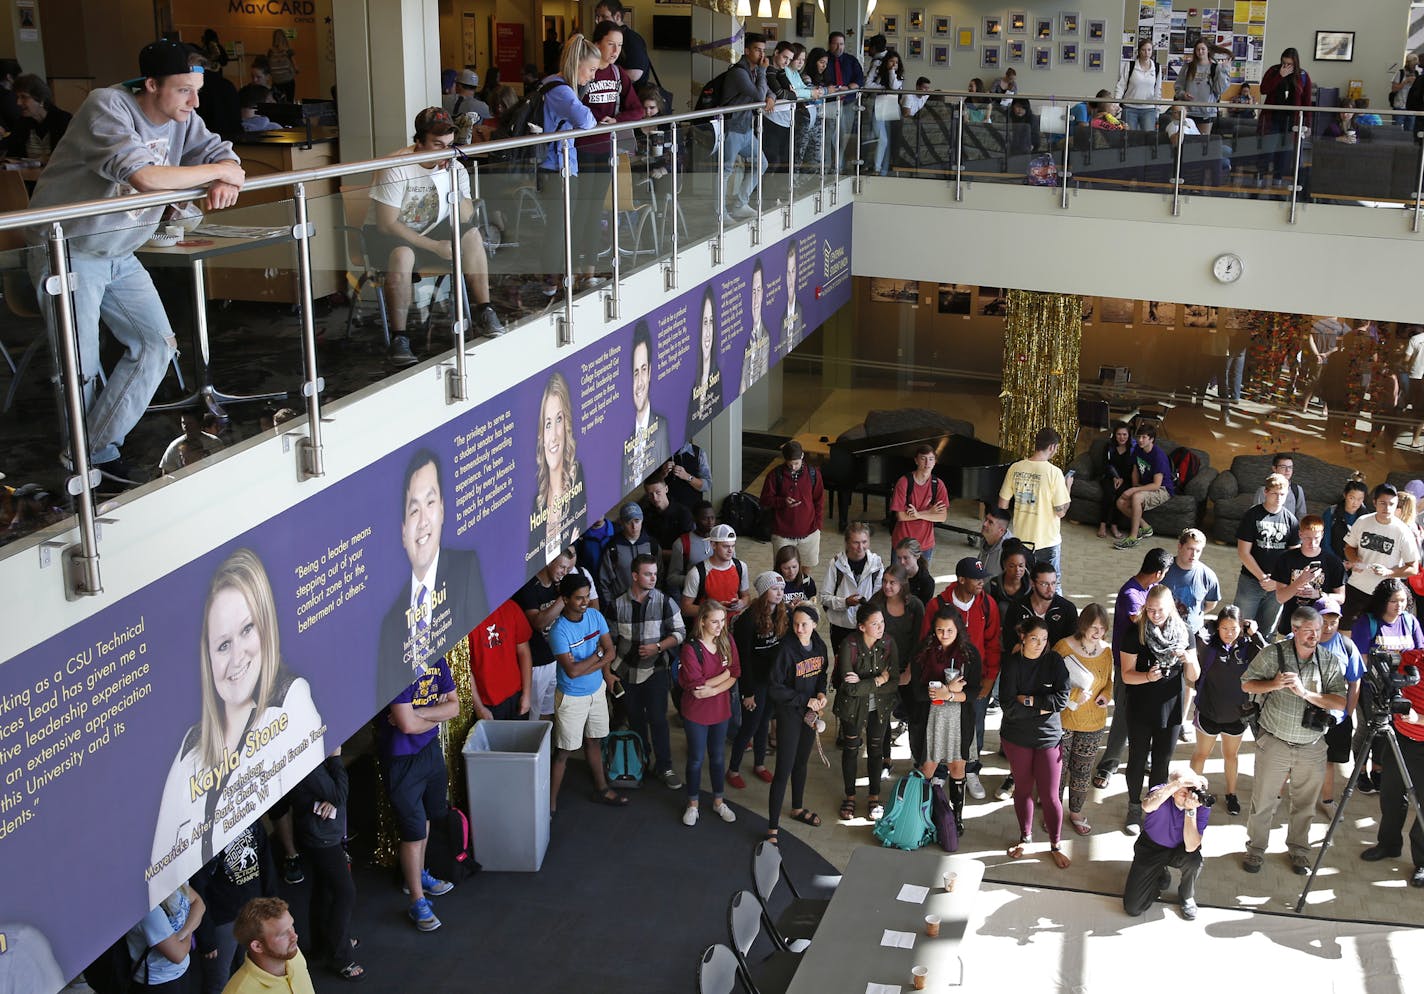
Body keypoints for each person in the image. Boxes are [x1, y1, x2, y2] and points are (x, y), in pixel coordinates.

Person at [28, 39, 244, 487]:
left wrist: (227, 172)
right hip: (67, 248)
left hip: (120, 250)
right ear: (151, 85)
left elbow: (226, 156)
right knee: (79, 366)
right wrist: (215, 174)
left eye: (197, 90)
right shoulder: (106, 106)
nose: (194, 101)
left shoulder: (183, 117)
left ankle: (88, 456)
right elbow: (146, 178)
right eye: (184, 90)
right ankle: (92, 468)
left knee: (156, 345)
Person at [149, 549, 323, 908]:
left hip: (256, 900)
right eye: (223, 645)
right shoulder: (190, 749)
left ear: (266, 627)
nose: (237, 658)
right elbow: (159, 875)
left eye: (248, 630)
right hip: (207, 917)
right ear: (207, 656)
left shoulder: (290, 701)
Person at [369, 106, 503, 366]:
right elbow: (386, 224)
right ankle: (400, 338)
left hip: (433, 228)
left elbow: (465, 217)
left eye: (449, 145)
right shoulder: (396, 166)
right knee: (403, 254)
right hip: (393, 235)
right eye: (437, 144)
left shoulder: (453, 166)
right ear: (418, 142)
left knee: (473, 235)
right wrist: (432, 246)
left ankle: (485, 310)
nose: (444, 151)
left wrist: (453, 180)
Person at [378, 449, 488, 707]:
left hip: (466, 708)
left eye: (430, 503)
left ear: (442, 510)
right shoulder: (391, 623)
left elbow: (482, 649)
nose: (424, 521)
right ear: (403, 531)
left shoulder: (466, 570)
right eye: (414, 510)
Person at [1241, 605, 1347, 874]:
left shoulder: (1328, 661)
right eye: (1310, 630)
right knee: (1264, 800)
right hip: (1275, 741)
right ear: (1295, 630)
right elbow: (1246, 684)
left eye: (1319, 630)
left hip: (1312, 746)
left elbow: (1339, 701)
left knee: (1304, 804)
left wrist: (1306, 694)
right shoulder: (1273, 654)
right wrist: (1274, 684)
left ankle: (1299, 850)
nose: (1315, 635)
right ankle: (1255, 850)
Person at [378, 645, 458, 931]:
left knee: (425, 819)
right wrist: (433, 714)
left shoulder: (437, 658)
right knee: (412, 832)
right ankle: (416, 901)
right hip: (402, 762)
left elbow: (455, 706)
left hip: (429, 753)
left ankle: (419, 873)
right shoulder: (396, 668)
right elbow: (407, 726)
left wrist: (420, 711)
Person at [1119, 585, 1199, 833]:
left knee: (1162, 763)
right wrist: (1147, 677)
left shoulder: (1185, 632)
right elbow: (1126, 676)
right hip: (1141, 704)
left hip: (1171, 707)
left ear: (1171, 607)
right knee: (1137, 759)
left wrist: (1190, 660)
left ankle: (1152, 808)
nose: (1154, 615)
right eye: (1150, 610)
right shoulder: (1136, 633)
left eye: (1160, 610)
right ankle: (1134, 806)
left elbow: (1193, 677)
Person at [922, 557, 1000, 802]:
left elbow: (993, 644)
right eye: (977, 579)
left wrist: (989, 679)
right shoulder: (938, 604)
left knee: (973, 726)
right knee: (940, 726)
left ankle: (970, 770)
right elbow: (926, 642)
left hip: (974, 683)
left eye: (983, 578)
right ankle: (942, 771)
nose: (981, 582)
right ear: (961, 580)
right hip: (940, 682)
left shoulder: (988, 604)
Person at [572, 22, 643, 290]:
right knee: (578, 210)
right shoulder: (581, 73)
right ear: (597, 43)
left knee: (593, 210)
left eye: (620, 46)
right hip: (579, 152)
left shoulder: (617, 74)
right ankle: (570, 271)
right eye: (611, 44)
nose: (615, 51)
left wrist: (617, 119)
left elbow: (636, 110)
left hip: (605, 150)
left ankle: (588, 272)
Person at [1094, 548, 1172, 790]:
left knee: (1148, 715)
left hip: (1149, 667)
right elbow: (1144, 626)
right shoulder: (1131, 594)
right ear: (1159, 573)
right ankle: (1109, 764)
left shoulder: (1149, 591)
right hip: (1128, 665)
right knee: (1123, 717)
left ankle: (1145, 758)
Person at [549, 571, 626, 811]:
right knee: (564, 751)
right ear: (565, 599)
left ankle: (601, 789)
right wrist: (597, 655)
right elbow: (571, 672)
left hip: (597, 691)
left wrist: (590, 663)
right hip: (571, 697)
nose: (585, 603)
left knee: (594, 741)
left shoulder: (595, 616)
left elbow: (611, 651)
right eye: (579, 598)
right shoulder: (558, 631)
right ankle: (549, 805)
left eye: (586, 597)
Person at [999, 617, 1072, 867]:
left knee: (1051, 795)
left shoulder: (1054, 661)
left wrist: (1029, 701)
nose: (1039, 644)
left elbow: (1061, 700)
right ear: (1023, 637)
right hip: (1017, 736)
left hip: (1048, 737)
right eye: (1033, 639)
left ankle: (1055, 843)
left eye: (1043, 639)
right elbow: (1008, 706)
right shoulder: (1011, 664)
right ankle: (1025, 837)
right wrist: (1043, 707)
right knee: (1022, 788)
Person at [288, 747, 362, 981]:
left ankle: (324, 943)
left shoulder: (310, 761)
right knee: (345, 892)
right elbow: (339, 793)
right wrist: (336, 759)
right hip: (322, 838)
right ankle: (340, 956)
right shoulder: (307, 762)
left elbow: (335, 795)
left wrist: (334, 797)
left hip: (316, 833)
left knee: (323, 889)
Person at [1359, 617, 1424, 884]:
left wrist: (1419, 719)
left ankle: (1422, 862)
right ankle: (1388, 844)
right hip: (1400, 739)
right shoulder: (1414, 657)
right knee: (1391, 794)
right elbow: (1388, 672)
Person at [534, 35, 600, 298]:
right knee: (560, 226)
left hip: (559, 166)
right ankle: (552, 281)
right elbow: (586, 120)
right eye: (592, 69)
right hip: (557, 167)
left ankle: (556, 277)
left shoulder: (555, 86)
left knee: (561, 225)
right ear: (577, 64)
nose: (593, 77)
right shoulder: (561, 90)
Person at [612, 554, 685, 788]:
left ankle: (664, 766)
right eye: (647, 573)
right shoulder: (617, 605)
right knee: (635, 720)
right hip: (626, 672)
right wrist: (608, 673)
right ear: (635, 576)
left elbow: (680, 632)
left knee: (658, 720)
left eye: (655, 573)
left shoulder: (664, 602)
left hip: (656, 670)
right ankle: (640, 761)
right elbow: (609, 643)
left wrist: (659, 646)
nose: (653, 578)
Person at [1189, 605, 1265, 817]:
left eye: (1234, 628)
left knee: (1231, 755)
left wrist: (1254, 633)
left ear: (1241, 627)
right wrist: (1212, 625)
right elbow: (1198, 635)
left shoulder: (1247, 646)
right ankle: (1193, 790)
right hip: (1209, 712)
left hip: (1236, 715)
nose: (1229, 633)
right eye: (1224, 628)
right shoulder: (1208, 645)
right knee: (1201, 754)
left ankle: (1231, 794)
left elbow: (1269, 653)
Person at [1350, 578, 1424, 793]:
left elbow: (1419, 653)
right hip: (1372, 685)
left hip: (1402, 688)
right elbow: (1361, 657)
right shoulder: (1367, 622)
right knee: (1367, 729)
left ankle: (1379, 769)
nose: (1399, 606)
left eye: (1402, 601)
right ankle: (1360, 771)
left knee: (1389, 730)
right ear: (1383, 601)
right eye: (1393, 601)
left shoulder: (1410, 622)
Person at [765, 604, 830, 841]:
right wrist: (805, 700)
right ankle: (772, 827)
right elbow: (775, 687)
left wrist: (821, 693)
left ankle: (797, 807)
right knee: (784, 767)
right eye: (796, 624)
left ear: (815, 624)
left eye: (804, 624)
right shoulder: (786, 649)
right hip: (790, 714)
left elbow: (822, 673)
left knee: (801, 762)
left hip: (809, 713)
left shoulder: (819, 645)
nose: (799, 628)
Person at [916, 606, 982, 834]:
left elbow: (975, 691)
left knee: (957, 766)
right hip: (931, 717)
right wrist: (941, 691)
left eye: (949, 631)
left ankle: (957, 816)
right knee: (928, 767)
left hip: (959, 718)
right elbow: (916, 690)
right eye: (939, 630)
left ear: (959, 630)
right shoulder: (925, 650)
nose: (944, 635)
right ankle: (919, 813)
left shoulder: (970, 654)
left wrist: (950, 695)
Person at [192, 825, 278, 994]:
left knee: (251, 972)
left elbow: (266, 864)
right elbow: (198, 889)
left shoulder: (253, 823)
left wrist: (272, 905)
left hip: (254, 911)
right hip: (222, 919)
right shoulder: (206, 836)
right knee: (218, 981)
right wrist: (206, 936)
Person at [679, 599, 742, 825]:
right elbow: (697, 688)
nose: (720, 626)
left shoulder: (726, 639)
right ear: (702, 621)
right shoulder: (691, 648)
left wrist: (714, 685)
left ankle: (718, 802)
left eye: (723, 621)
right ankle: (693, 804)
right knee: (696, 759)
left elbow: (735, 672)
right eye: (714, 622)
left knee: (717, 758)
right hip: (696, 712)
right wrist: (724, 676)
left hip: (720, 709)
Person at [835, 603, 900, 822]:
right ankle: (850, 796)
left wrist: (869, 683)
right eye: (875, 624)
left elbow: (894, 682)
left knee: (875, 751)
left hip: (879, 707)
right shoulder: (849, 644)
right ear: (862, 627)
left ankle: (874, 797)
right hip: (852, 708)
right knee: (851, 750)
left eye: (882, 622)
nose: (880, 627)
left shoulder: (889, 643)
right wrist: (879, 679)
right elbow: (848, 687)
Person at [1121, 771, 1212, 920]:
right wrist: (1178, 783)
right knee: (1133, 907)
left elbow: (1191, 846)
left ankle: (1187, 896)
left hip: (1180, 849)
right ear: (1172, 789)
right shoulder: (1162, 792)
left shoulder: (1200, 805)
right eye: (1184, 789)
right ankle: (1158, 875)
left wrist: (1191, 811)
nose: (1189, 794)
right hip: (1151, 847)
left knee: (1194, 860)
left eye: (1192, 789)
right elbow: (1147, 806)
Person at [728, 571, 789, 789]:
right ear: (764, 592)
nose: (780, 593)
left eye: (781, 589)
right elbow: (742, 659)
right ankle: (733, 768)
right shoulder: (748, 620)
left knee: (764, 722)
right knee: (750, 725)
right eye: (774, 589)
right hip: (754, 681)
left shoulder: (782, 613)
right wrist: (747, 692)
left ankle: (760, 764)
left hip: (771, 679)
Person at [1055, 605, 1113, 836]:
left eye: (1102, 628)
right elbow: (1051, 683)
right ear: (1083, 625)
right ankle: (1054, 810)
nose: (1097, 632)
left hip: (1093, 722)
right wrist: (1076, 695)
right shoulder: (1063, 647)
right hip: (1064, 719)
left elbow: (1108, 681)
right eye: (1093, 627)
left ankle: (1076, 812)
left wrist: (1106, 696)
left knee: (1082, 770)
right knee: (1058, 770)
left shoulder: (1107, 651)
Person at [529, 372, 590, 567]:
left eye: (559, 420)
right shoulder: (537, 502)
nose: (553, 435)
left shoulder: (576, 478)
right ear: (541, 434)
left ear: (567, 425)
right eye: (547, 424)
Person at [871, 564, 927, 767]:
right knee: (881, 716)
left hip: (909, 669)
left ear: (903, 584)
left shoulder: (915, 606)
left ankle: (919, 760)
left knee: (916, 717)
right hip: (882, 669)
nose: (887, 586)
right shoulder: (876, 604)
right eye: (885, 581)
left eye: (892, 582)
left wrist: (910, 671)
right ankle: (884, 759)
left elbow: (920, 641)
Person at [1344, 483, 1421, 627]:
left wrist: (1389, 572)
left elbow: (1413, 568)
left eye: (1391, 504)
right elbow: (1349, 547)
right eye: (1382, 503)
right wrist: (1354, 560)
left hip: (1385, 593)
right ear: (1374, 503)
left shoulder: (1402, 531)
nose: (1387, 508)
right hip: (1357, 587)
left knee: (1378, 636)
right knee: (1346, 630)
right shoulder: (1362, 521)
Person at [998, 427, 1071, 579]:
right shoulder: (1055, 472)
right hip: (1047, 541)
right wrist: (1067, 486)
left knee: (1023, 581)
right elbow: (1061, 512)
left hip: (1021, 539)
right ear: (1052, 447)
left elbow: (1002, 505)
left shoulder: (1015, 467)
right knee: (1051, 583)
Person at [1233, 472, 1301, 635]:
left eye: (1282, 494)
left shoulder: (1291, 520)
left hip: (1277, 585)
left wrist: (1278, 581)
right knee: (1240, 626)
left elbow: (1295, 557)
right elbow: (1243, 552)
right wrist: (1262, 577)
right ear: (1266, 492)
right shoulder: (1252, 515)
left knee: (1267, 632)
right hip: (1250, 581)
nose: (1278, 498)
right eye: (1274, 493)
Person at [516, 548, 577, 721]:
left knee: (548, 710)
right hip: (535, 665)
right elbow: (538, 622)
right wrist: (563, 598)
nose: (564, 573)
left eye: (567, 569)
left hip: (554, 659)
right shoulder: (528, 587)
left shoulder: (557, 587)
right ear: (549, 561)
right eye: (562, 568)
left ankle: (546, 748)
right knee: (532, 715)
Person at [1314, 596, 1364, 808]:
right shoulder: (1296, 640)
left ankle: (1326, 801)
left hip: (1334, 717)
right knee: (1290, 761)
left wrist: (1347, 714)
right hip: (1300, 714)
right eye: (1323, 621)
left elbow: (1354, 683)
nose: (1328, 627)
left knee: (1329, 761)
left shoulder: (1347, 646)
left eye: (1333, 622)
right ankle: (1275, 797)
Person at [721, 33, 776, 221]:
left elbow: (768, 92)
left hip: (746, 128)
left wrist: (771, 97)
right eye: (757, 49)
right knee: (725, 171)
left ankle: (739, 204)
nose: (761, 54)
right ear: (746, 51)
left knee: (762, 163)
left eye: (763, 50)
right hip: (731, 128)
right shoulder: (739, 72)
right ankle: (720, 213)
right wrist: (763, 75)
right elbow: (759, 96)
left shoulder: (753, 71)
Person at [1272, 514, 1346, 637]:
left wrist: (1319, 594)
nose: (1312, 543)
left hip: (1319, 628)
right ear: (1300, 535)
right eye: (1307, 538)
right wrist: (1299, 581)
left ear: (1322, 535)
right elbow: (1280, 597)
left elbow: (1341, 598)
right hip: (1291, 624)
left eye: (1316, 538)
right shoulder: (1286, 559)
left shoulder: (1333, 562)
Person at [220, 897, 313, 994]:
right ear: (257, 946)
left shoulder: (293, 953)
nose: (294, 936)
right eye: (283, 934)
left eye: (292, 926)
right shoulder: (239, 991)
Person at [821, 521, 886, 658]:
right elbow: (824, 598)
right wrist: (845, 602)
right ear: (846, 543)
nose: (860, 547)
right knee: (842, 666)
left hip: (867, 626)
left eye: (864, 542)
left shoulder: (877, 564)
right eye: (856, 542)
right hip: (841, 626)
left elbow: (879, 598)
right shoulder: (836, 564)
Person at [621, 321, 670, 492]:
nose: (640, 382)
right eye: (635, 373)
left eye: (643, 370)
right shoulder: (624, 438)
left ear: (650, 372)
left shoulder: (662, 427)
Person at [761, 439, 825, 570]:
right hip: (782, 533)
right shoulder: (775, 475)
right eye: (790, 464)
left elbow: (819, 500)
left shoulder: (813, 474)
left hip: (810, 532)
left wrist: (818, 525)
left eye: (796, 463)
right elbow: (765, 500)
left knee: (807, 567)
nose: (794, 467)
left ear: (802, 456)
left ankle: (803, 589)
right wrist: (782, 502)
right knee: (783, 569)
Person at [128, 885, 205, 992]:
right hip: (159, 981)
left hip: (181, 971)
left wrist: (183, 934)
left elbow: (199, 904)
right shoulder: (148, 908)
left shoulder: (173, 882)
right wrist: (190, 926)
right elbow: (178, 955)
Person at [467, 599, 533, 721]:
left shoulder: (510, 607)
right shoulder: (466, 619)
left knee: (520, 738)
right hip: (487, 701)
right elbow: (466, 669)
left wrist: (527, 694)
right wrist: (479, 707)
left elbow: (524, 652)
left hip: (516, 694)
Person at [1113, 424, 1174, 551]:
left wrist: (1134, 490)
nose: (1140, 440)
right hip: (1144, 486)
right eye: (1139, 436)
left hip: (1162, 489)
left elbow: (1157, 484)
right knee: (1120, 502)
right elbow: (1135, 469)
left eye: (1144, 437)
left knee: (1136, 497)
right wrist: (1135, 485)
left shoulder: (1158, 456)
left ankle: (1133, 538)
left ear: (1151, 439)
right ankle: (1145, 527)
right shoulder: (1138, 450)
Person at [598, 501, 660, 625]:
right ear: (621, 523)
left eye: (637, 521)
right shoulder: (613, 547)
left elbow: (661, 574)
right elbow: (603, 581)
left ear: (642, 521)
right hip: (622, 606)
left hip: (650, 605)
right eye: (628, 522)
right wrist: (612, 605)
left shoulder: (651, 544)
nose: (634, 526)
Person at [1258, 48, 1312, 181]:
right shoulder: (1274, 71)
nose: (1287, 66)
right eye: (1284, 63)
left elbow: (1307, 102)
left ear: (1295, 63)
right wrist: (1279, 76)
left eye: (1290, 64)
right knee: (1268, 149)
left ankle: (1278, 179)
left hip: (1292, 120)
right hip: (1272, 118)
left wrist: (1307, 124)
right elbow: (1263, 89)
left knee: (1285, 152)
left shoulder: (1303, 75)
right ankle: (1261, 176)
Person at [680, 522, 751, 624]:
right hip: (707, 628)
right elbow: (685, 608)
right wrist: (714, 610)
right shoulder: (698, 573)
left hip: (732, 625)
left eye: (733, 546)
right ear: (713, 545)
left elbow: (747, 597)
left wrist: (742, 603)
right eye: (726, 546)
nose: (730, 550)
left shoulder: (741, 567)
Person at [891, 443, 949, 562]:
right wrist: (929, 512)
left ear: (935, 462)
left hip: (925, 544)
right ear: (916, 461)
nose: (927, 463)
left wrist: (918, 514)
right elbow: (901, 516)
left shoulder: (938, 484)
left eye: (931, 459)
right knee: (897, 578)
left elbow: (942, 517)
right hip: (903, 542)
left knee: (921, 579)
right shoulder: (904, 482)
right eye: (923, 459)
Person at [1161, 528, 1221, 638]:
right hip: (1163, 631)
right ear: (1180, 546)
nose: (1193, 554)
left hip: (1192, 635)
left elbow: (1211, 604)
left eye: (1198, 550)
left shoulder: (1208, 576)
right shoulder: (1163, 570)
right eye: (1190, 549)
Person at [825, 31, 865, 171]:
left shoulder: (851, 60)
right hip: (829, 102)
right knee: (829, 135)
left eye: (841, 44)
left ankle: (839, 165)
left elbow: (860, 79)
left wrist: (848, 88)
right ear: (830, 44)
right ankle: (828, 165)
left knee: (844, 134)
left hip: (848, 102)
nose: (839, 47)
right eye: (836, 44)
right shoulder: (824, 59)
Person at [687, 288, 724, 435]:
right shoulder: (691, 383)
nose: (708, 332)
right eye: (704, 323)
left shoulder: (717, 377)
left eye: (710, 322)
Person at [7, 74, 70, 161]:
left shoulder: (64, 120)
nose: (18, 103)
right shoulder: (22, 122)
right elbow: (12, 154)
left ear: (40, 99)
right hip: (28, 174)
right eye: (17, 97)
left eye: (24, 97)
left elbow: (68, 157)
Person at [1176, 40, 1231, 134]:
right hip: (1188, 112)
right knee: (1187, 143)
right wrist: (1183, 94)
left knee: (1202, 143)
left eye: (1203, 49)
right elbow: (1178, 86)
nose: (1200, 52)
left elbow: (1219, 90)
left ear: (1208, 50)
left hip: (1206, 113)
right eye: (1198, 49)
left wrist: (1224, 70)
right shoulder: (1188, 67)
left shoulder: (1215, 68)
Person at [593, 0, 652, 83]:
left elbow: (634, 74)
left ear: (617, 17)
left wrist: (605, 76)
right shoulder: (602, 36)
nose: (598, 21)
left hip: (630, 93)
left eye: (604, 16)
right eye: (597, 17)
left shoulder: (632, 38)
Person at [669, 501, 717, 596]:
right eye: (705, 518)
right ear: (695, 519)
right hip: (694, 598)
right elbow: (672, 579)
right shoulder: (682, 543)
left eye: (712, 518)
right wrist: (697, 579)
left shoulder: (723, 539)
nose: (710, 522)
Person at [868, 48, 904, 175]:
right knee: (882, 139)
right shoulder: (879, 73)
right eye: (891, 62)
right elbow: (868, 85)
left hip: (891, 108)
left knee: (889, 141)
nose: (894, 64)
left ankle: (884, 169)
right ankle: (877, 168)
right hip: (879, 106)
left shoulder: (898, 76)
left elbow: (894, 86)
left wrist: (892, 72)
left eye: (896, 63)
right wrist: (883, 87)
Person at [1114, 39, 1163, 131]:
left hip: (1149, 108)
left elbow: (1158, 90)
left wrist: (1157, 110)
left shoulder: (1157, 67)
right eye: (1143, 50)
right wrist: (1116, 104)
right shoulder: (1130, 66)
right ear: (1139, 51)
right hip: (1130, 107)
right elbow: (1121, 86)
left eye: (1149, 50)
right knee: (1129, 137)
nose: (1146, 53)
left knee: (1148, 137)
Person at [1097, 422, 1135, 539]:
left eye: (1124, 434)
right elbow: (1105, 465)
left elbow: (1133, 469)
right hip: (1109, 477)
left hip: (1126, 479)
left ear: (1129, 435)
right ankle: (1102, 525)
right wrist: (1114, 477)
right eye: (1119, 434)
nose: (1121, 437)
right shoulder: (1109, 447)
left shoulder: (1133, 449)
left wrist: (1122, 479)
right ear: (1114, 435)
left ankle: (1114, 525)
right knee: (1108, 494)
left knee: (1121, 495)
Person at [158, 410, 225, 475]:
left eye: (190, 423)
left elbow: (223, 467)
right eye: (183, 423)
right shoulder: (174, 446)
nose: (185, 427)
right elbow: (166, 473)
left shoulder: (215, 443)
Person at [740, 260, 772, 391]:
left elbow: (763, 375)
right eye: (753, 291)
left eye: (758, 291)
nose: (755, 298)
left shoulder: (765, 336)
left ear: (763, 293)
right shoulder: (745, 336)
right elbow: (742, 380)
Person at [1252, 452, 1308, 519]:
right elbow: (1255, 515)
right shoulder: (1263, 490)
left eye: (1290, 467)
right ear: (1274, 468)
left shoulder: (1297, 489)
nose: (1287, 470)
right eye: (1283, 467)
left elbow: (1301, 516)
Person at [894, 537, 934, 604]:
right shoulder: (893, 573)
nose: (902, 562)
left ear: (917, 556)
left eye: (905, 558)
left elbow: (921, 609)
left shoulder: (927, 582)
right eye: (899, 558)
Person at [980, 506, 1015, 578]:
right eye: (986, 519)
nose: (984, 524)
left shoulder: (1009, 552)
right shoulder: (985, 539)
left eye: (990, 522)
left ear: (1001, 530)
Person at [265, 30, 297, 100]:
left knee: (289, 101)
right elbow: (267, 63)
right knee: (278, 101)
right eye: (277, 37)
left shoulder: (288, 50)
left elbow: (294, 63)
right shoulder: (271, 51)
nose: (278, 39)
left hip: (288, 81)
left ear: (283, 38)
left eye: (280, 37)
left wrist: (295, 69)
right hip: (277, 82)